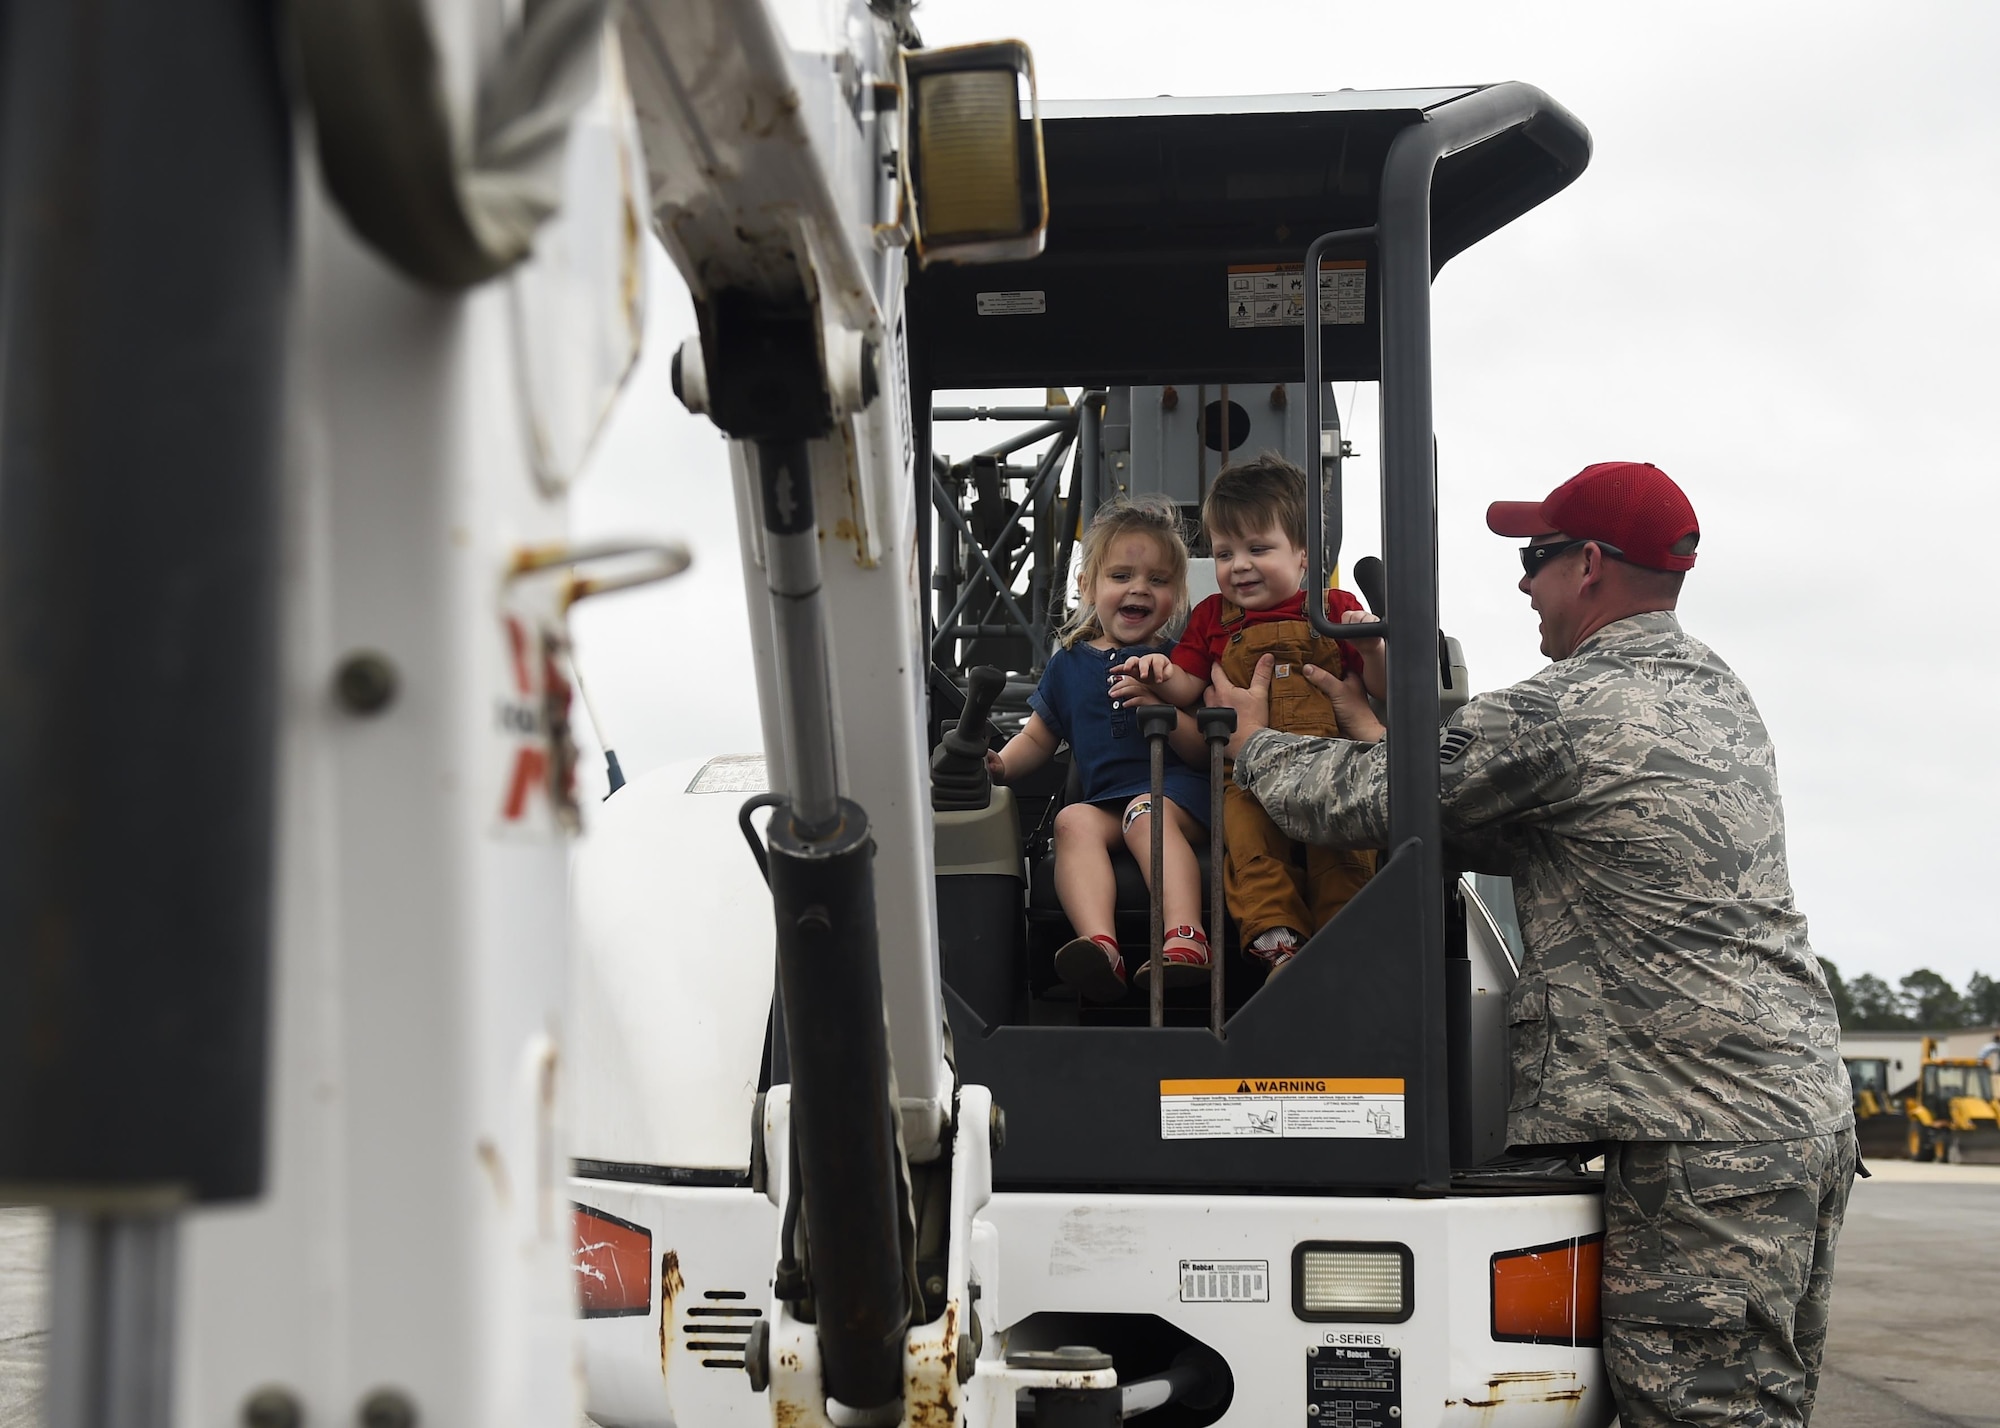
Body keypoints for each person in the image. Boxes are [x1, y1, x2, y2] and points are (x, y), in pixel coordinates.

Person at [1209, 461, 1856, 1428]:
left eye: (1534, 558)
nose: (1521, 583)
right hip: (1791, 1116)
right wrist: (1378, 731)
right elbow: (1501, 828)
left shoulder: (1566, 708)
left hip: (1702, 1140)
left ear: (1588, 564)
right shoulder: (1713, 691)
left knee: (1699, 1414)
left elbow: (1354, 803)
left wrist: (1255, 741)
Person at [1112, 454, 1383, 974]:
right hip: (1248, 775)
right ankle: (1278, 940)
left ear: (1304, 555)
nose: (1238, 565)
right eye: (1223, 553)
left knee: (1342, 851)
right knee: (1249, 848)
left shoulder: (1334, 606)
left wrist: (1371, 650)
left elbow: (1379, 688)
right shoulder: (1213, 616)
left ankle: (1344, 942)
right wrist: (1156, 674)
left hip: (1332, 768)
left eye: (1259, 549)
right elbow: (1189, 681)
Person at [986, 495, 1211, 1002]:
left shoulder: (1178, 665)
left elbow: (1202, 751)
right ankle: (1100, 948)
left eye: (1157, 580)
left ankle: (1185, 938)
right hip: (1110, 802)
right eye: (1121, 576)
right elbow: (1038, 738)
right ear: (1087, 585)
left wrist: (1162, 703)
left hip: (1178, 799)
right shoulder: (1069, 664)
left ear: (1176, 594)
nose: (1139, 589)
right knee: (1072, 821)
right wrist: (1000, 766)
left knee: (1143, 810)